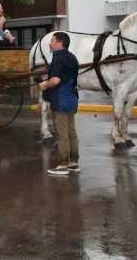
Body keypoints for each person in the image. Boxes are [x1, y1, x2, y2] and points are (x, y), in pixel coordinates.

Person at [39, 32, 80, 175]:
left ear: (59, 44)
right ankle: (74, 162)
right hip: (72, 99)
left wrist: (44, 85)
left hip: (60, 100)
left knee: (62, 133)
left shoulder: (58, 59)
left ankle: (63, 164)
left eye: (52, 41)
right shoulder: (73, 58)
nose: (50, 43)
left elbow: (55, 80)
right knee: (71, 132)